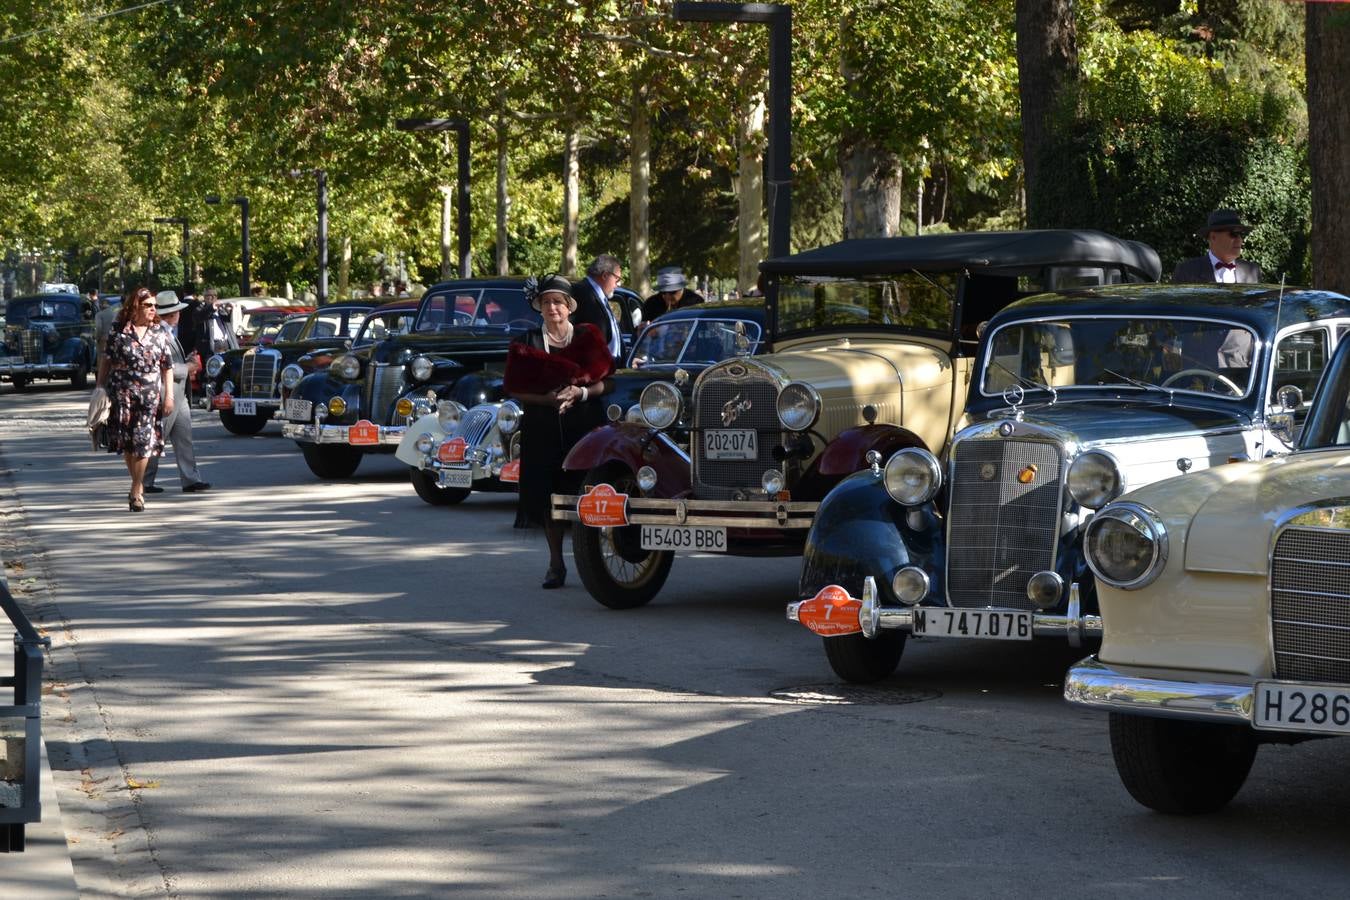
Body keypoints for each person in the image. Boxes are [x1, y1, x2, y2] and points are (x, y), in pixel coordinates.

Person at [504, 275, 616, 589]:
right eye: (546, 302)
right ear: (539, 307)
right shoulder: (526, 342)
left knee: (589, 491)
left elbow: (609, 382)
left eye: (558, 302)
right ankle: (556, 563)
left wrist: (580, 393)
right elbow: (514, 387)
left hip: (585, 426)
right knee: (549, 497)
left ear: (569, 307)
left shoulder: (588, 337)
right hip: (543, 428)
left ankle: (596, 560)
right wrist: (548, 400)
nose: (553, 308)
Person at [95, 286, 173, 511]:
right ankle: (136, 486)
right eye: (148, 305)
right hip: (123, 394)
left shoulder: (159, 332)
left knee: (143, 441)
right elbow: (107, 360)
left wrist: (169, 396)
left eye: (155, 306)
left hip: (149, 396)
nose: (153, 309)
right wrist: (99, 387)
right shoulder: (119, 331)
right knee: (128, 443)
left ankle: (136, 489)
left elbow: (167, 366)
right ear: (136, 306)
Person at [143, 291, 211, 495]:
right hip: (166, 393)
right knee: (158, 437)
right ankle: (144, 481)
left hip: (178, 394)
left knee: (184, 438)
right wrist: (188, 367)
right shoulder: (157, 333)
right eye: (178, 312)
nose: (180, 315)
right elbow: (161, 368)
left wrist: (186, 363)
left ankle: (190, 479)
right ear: (172, 314)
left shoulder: (167, 331)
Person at [1172, 209, 1263, 283]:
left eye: (1241, 234)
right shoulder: (1187, 271)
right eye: (1234, 234)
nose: (1240, 240)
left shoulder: (1252, 271)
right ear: (1213, 237)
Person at [571, 254, 624, 362]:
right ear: (605, 275)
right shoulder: (582, 293)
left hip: (610, 366)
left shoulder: (598, 295)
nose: (618, 284)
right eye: (617, 279)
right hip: (596, 368)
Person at [641, 267, 705, 323]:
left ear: (681, 288)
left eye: (672, 292)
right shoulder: (651, 304)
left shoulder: (696, 302)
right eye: (663, 292)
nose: (667, 296)